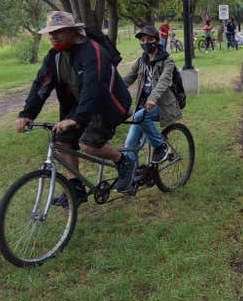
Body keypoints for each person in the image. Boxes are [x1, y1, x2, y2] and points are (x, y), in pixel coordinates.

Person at [15, 11, 134, 204]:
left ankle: (123, 162)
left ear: (73, 31)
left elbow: (93, 86)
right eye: (50, 32)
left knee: (87, 144)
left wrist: (77, 118)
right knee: (61, 141)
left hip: (108, 103)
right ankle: (75, 187)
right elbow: (41, 84)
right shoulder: (54, 56)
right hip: (84, 106)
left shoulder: (91, 50)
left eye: (59, 31)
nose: (53, 36)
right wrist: (27, 113)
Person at [123, 26, 183, 166]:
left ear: (156, 40)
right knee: (129, 145)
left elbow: (164, 81)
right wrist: (110, 89)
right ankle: (134, 177)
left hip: (163, 105)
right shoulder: (140, 61)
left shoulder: (167, 60)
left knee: (139, 116)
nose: (145, 43)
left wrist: (152, 98)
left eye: (149, 39)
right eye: (142, 40)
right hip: (143, 107)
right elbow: (127, 80)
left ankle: (161, 146)